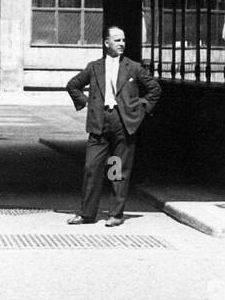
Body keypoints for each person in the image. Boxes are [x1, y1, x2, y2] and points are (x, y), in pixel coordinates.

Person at [65, 26, 162, 227]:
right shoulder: (94, 67)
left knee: (116, 170)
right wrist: (86, 103)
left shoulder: (133, 67)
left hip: (122, 124)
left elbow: (154, 89)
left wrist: (141, 108)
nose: (121, 44)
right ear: (106, 43)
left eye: (123, 40)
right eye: (117, 40)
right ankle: (87, 214)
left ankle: (115, 214)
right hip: (99, 124)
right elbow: (72, 85)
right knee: (92, 167)